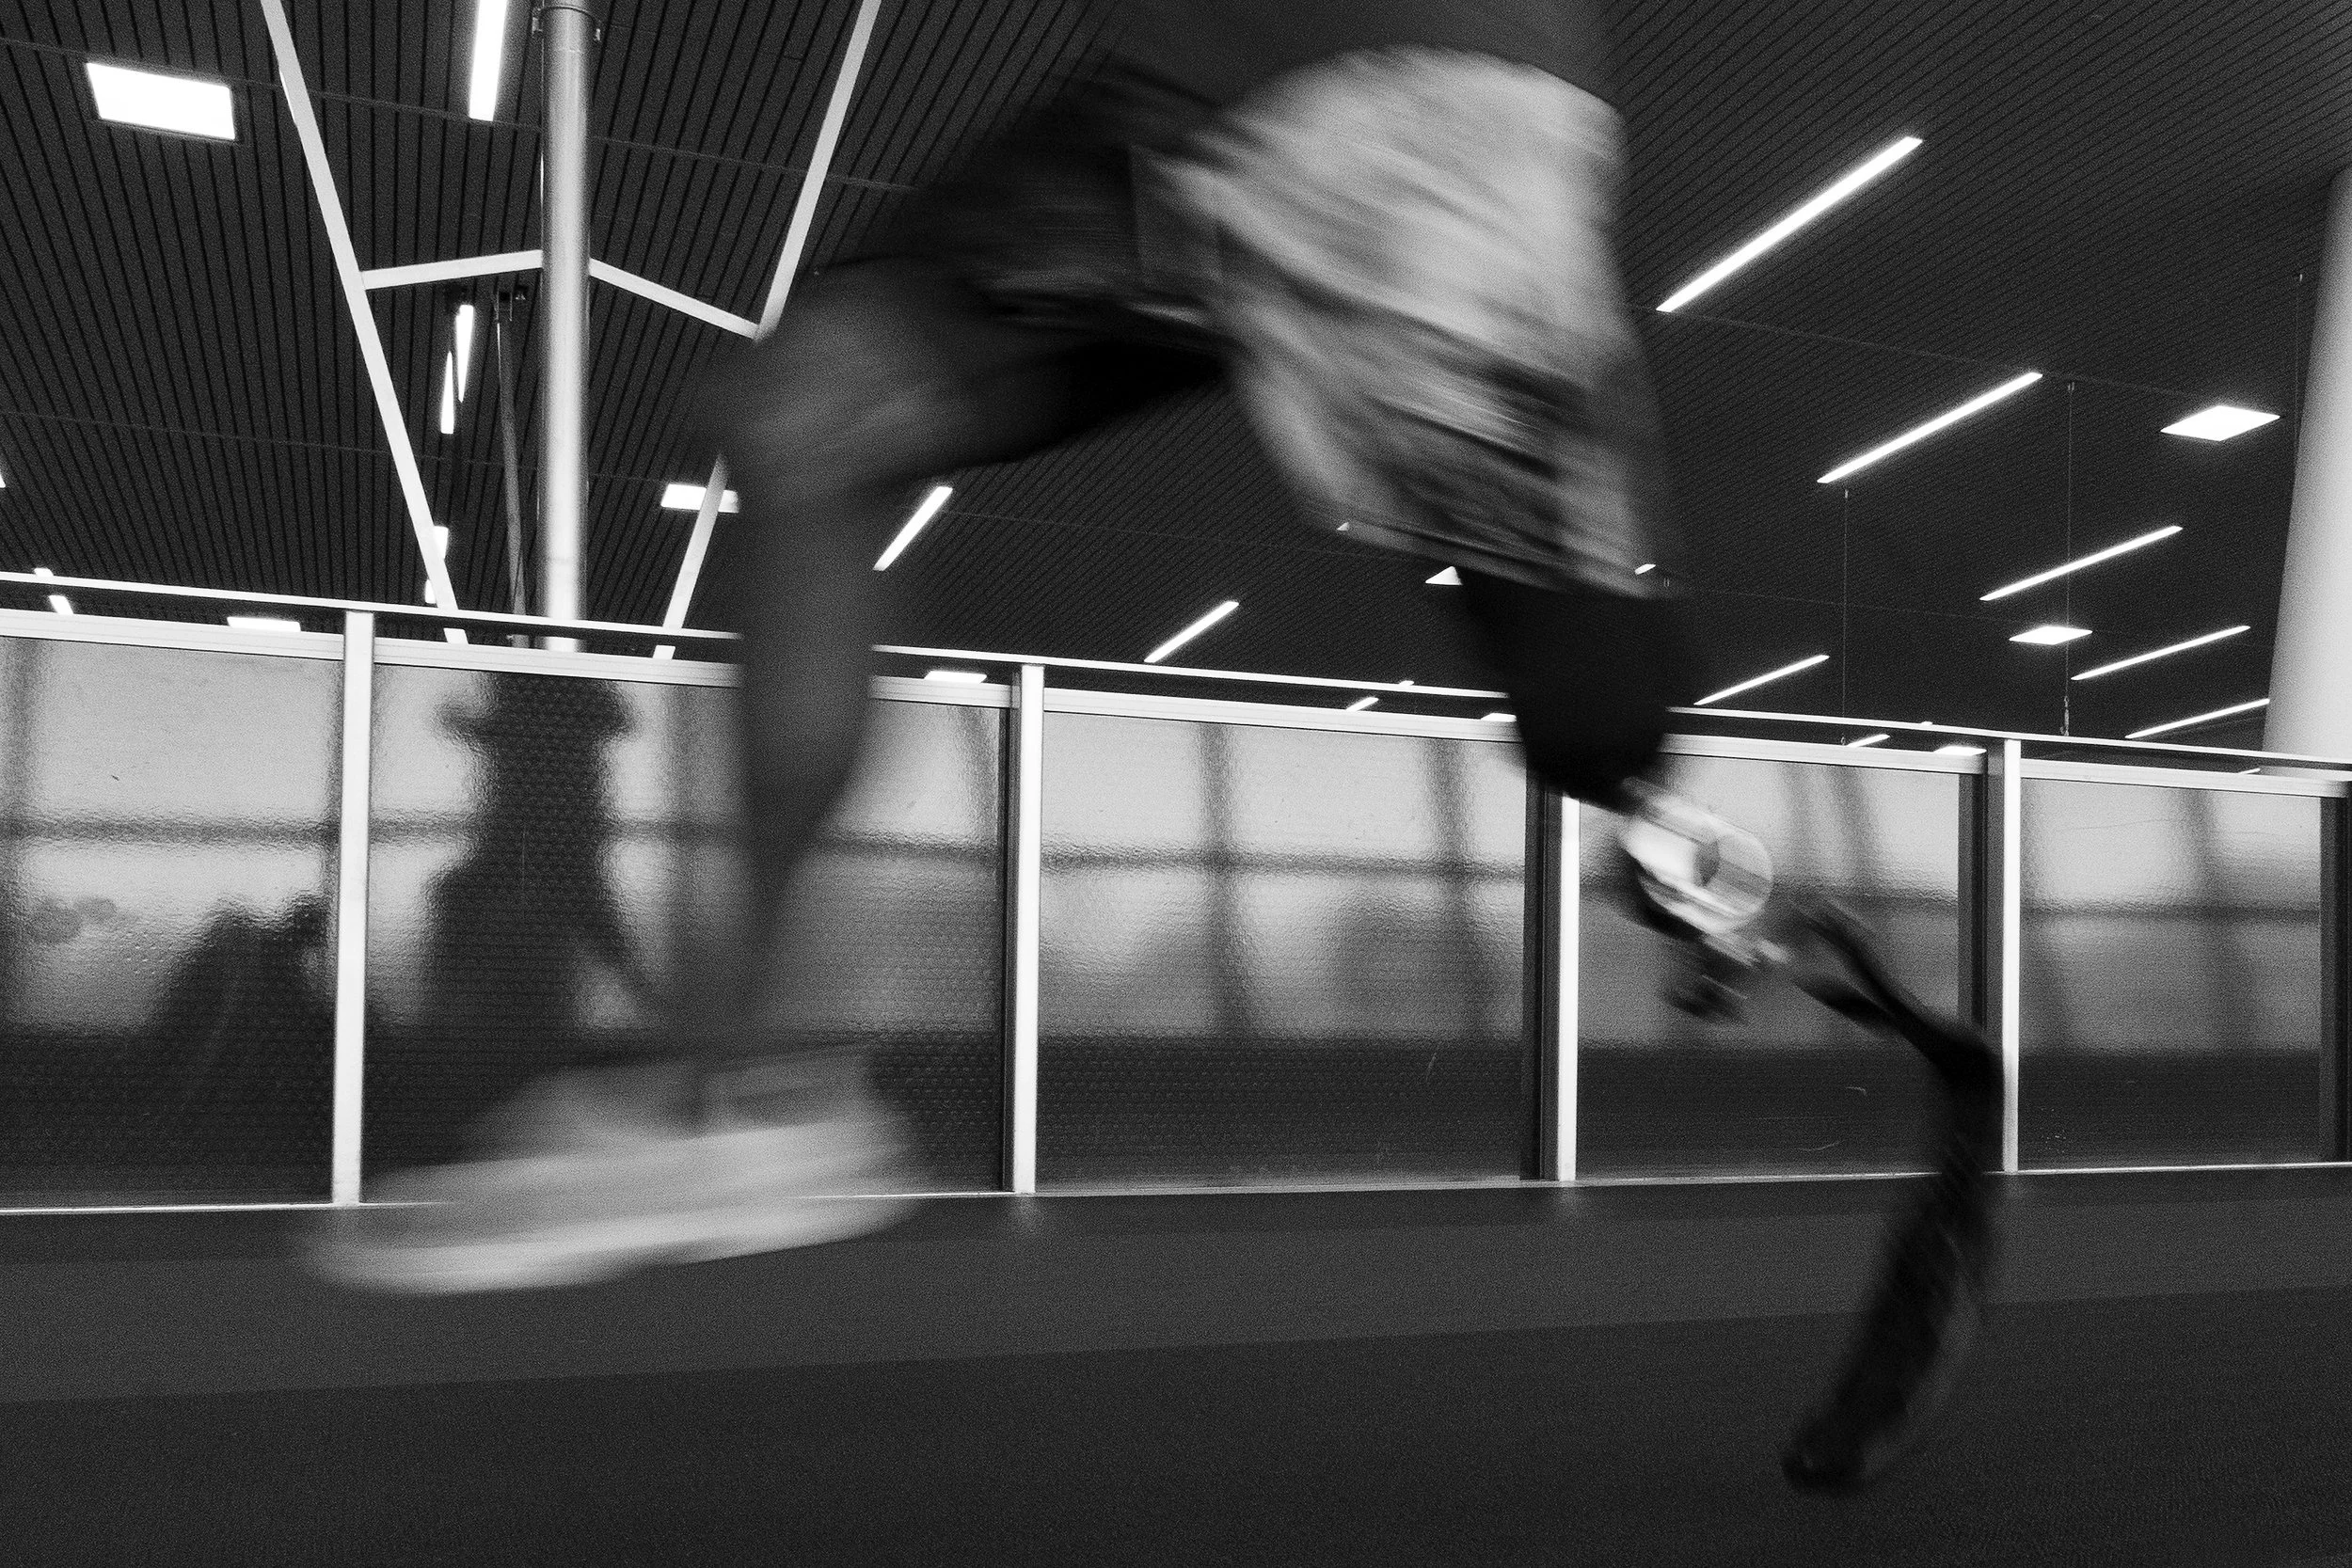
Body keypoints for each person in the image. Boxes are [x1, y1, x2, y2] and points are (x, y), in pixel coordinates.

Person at [310, 0, 1775, 1293]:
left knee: (1596, 716)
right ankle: (737, 1091)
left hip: (1433, 114)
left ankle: (1693, 861)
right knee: (806, 417)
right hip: (1183, 112)